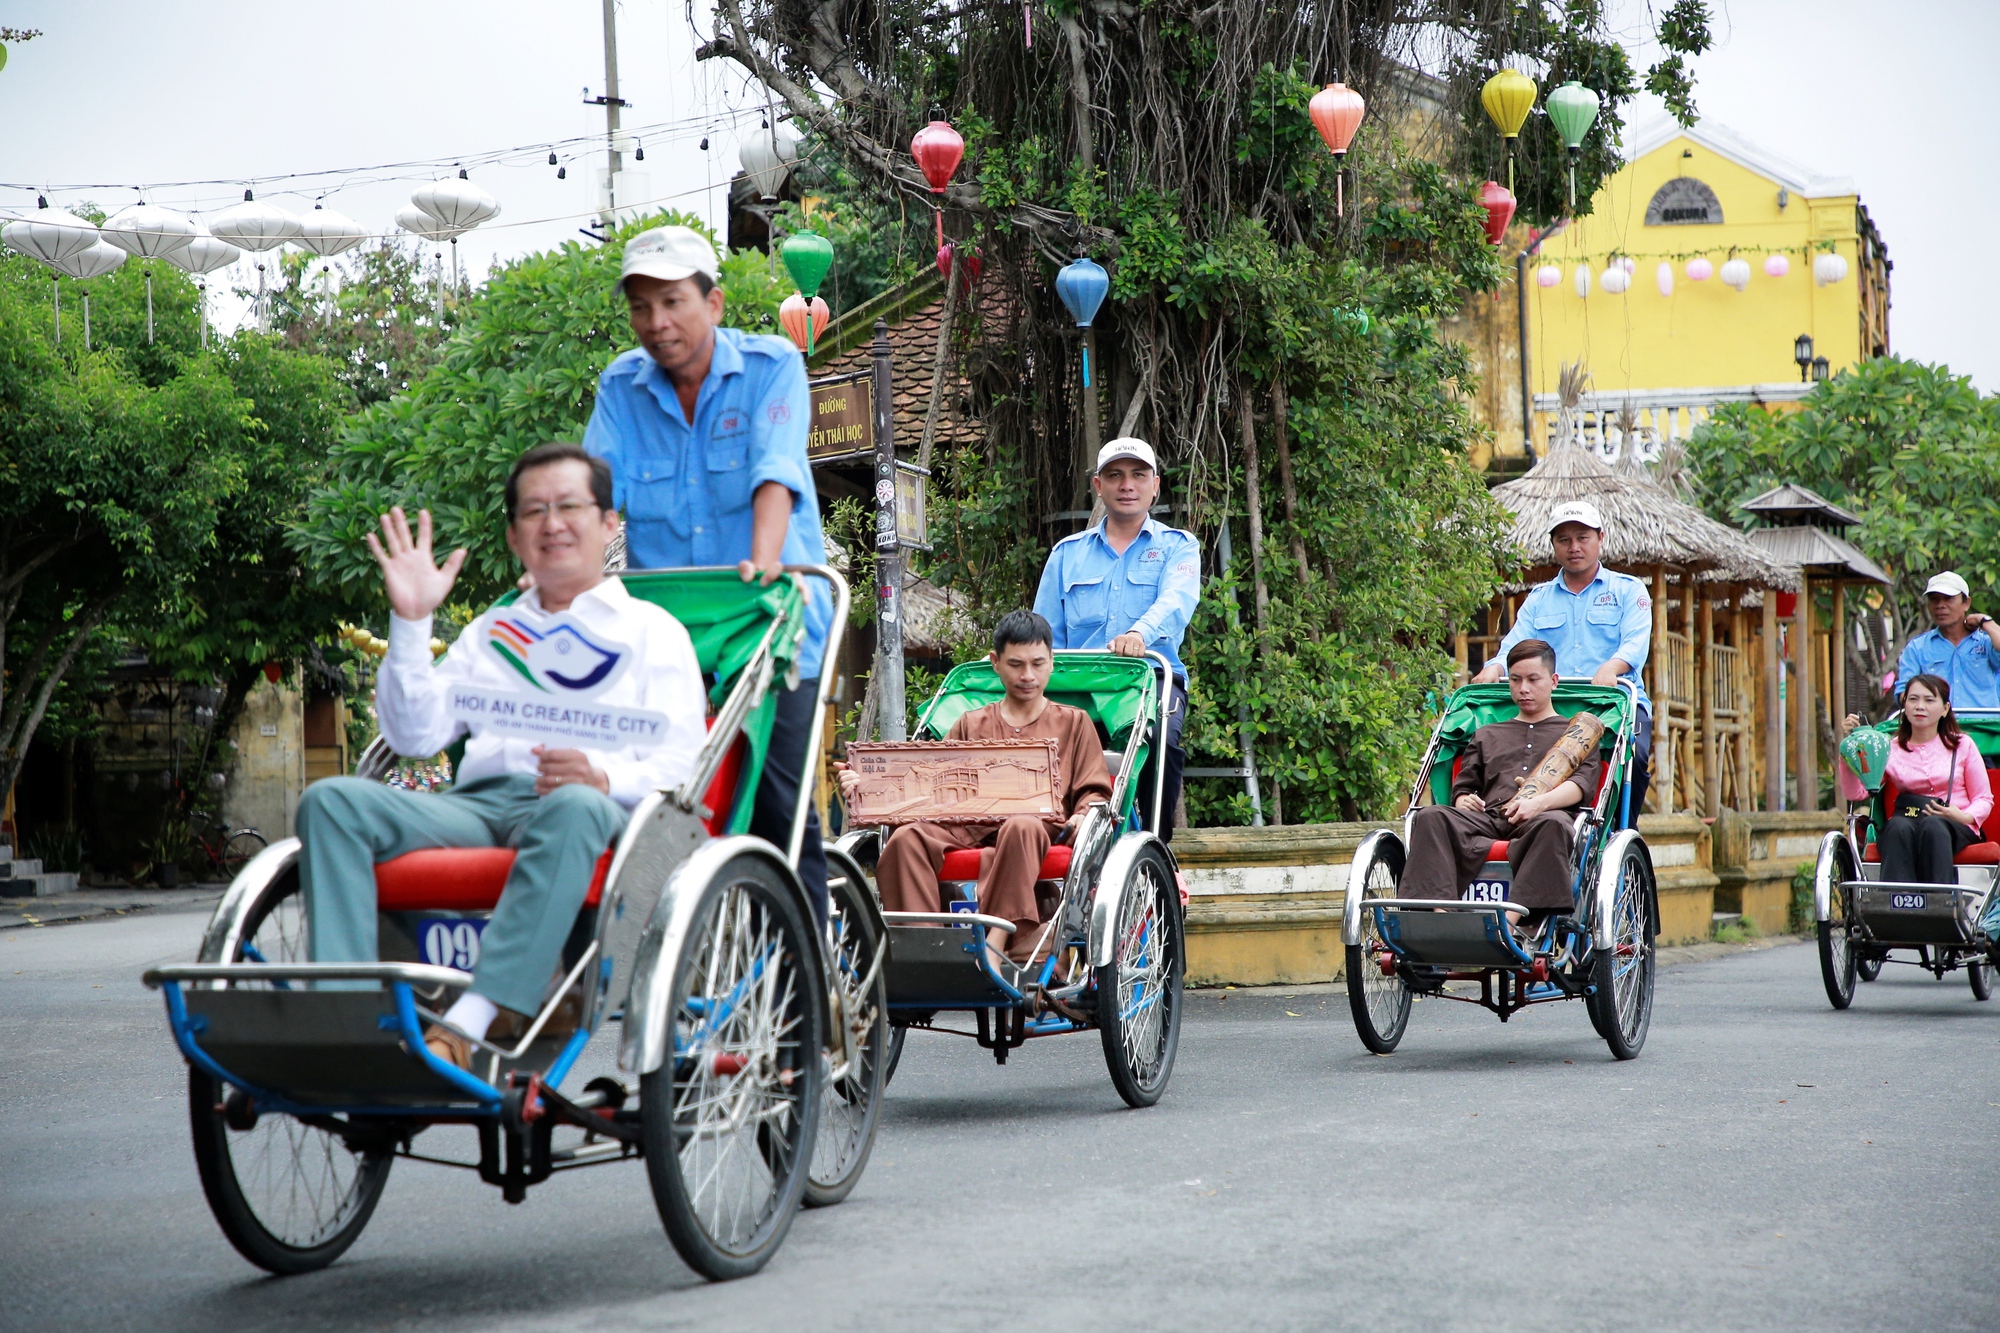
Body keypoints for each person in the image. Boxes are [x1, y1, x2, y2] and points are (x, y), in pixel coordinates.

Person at [297, 443, 707, 1068]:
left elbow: (684, 765)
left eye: (570, 505)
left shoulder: (653, 633)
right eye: (534, 511)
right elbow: (414, 739)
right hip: (481, 806)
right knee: (331, 802)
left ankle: (468, 1022)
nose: (552, 523)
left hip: (599, 816)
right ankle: (348, 1018)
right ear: (515, 537)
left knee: (572, 805)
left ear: (608, 523)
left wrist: (602, 776)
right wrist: (411, 623)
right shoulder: (493, 632)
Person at [581, 224, 834, 923]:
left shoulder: (772, 365)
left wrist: (763, 565)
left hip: (772, 622)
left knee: (777, 803)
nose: (656, 324)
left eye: (672, 303)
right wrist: (565, 583)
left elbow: (774, 473)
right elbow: (597, 497)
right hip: (669, 638)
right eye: (641, 307)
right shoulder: (621, 387)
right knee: (669, 796)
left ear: (713, 303)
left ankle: (806, 992)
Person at [839, 611, 1113, 969]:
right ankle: (923, 955)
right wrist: (867, 788)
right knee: (905, 840)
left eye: (1037, 664)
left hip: (1037, 831)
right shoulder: (971, 723)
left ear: (1051, 664)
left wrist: (1081, 815)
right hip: (966, 826)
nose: (1027, 676)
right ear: (996, 663)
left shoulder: (1074, 723)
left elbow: (1094, 790)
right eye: (1015, 664)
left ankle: (995, 944)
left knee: (1022, 823)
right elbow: (927, 785)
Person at [1033, 438, 1199, 840]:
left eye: (1138, 475)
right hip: (1076, 681)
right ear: (1098, 485)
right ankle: (1054, 837)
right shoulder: (1066, 554)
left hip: (1148, 678)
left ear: (1155, 485)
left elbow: (1176, 600)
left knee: (1162, 742)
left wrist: (1139, 633)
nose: (1127, 484)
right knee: (1033, 741)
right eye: (1115, 475)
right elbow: (1043, 633)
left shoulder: (1178, 546)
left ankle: (1155, 847)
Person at [1406, 639, 1603, 935]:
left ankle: (1507, 926)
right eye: (1515, 680)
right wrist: (1462, 801)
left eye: (1533, 680)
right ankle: (1440, 918)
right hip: (1489, 818)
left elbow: (1580, 787)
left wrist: (1538, 803)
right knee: (1430, 817)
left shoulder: (1576, 735)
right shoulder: (1487, 734)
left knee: (1554, 825)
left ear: (1553, 681)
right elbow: (1464, 787)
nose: (1523, 688)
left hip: (1543, 819)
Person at [1474, 499, 1653, 820]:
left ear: (1601, 538)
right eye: (1564, 540)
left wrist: (1612, 667)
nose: (1574, 547)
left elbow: (1635, 642)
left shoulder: (1629, 589)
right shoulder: (1539, 598)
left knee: (1635, 757)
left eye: (1583, 538)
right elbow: (1515, 644)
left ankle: (1623, 827)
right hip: (1553, 704)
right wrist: (1494, 668)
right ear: (1554, 545)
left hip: (1614, 701)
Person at [1840, 673, 1993, 885]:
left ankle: (1940, 904)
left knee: (1934, 827)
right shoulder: (1889, 748)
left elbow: (1984, 798)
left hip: (1954, 824)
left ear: (1945, 709)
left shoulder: (1963, 745)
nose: (1920, 706)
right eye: (1913, 699)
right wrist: (1849, 746)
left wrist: (1963, 815)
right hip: (1908, 820)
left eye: (1929, 700)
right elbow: (1857, 793)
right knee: (1895, 828)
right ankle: (1897, 904)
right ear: (1905, 706)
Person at [1894, 571, 2000, 712]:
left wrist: (1984, 620)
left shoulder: (1986, 643)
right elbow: (1903, 694)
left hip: (1983, 727)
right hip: (1936, 728)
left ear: (1966, 603)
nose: (1940, 605)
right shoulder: (1917, 648)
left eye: (1948, 598)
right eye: (1934, 599)